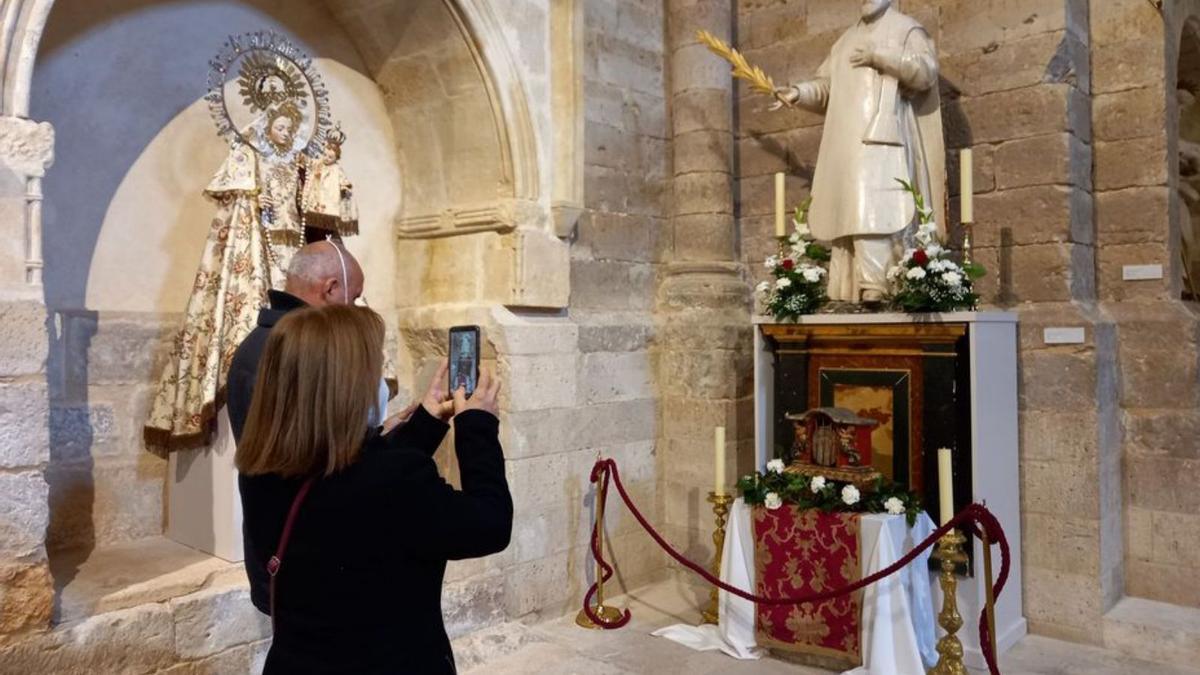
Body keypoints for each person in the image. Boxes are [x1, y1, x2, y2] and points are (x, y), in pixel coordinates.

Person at [236, 304, 511, 674]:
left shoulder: (261, 469)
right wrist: (477, 426)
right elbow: (490, 523)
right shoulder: (391, 482)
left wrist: (426, 423)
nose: (381, 384)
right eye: (375, 371)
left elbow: (355, 481)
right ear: (346, 389)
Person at [771, 0, 945, 303]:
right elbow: (827, 87)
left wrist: (881, 56)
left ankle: (879, 284)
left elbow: (926, 72)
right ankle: (848, 288)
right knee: (848, 211)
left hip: (883, 136)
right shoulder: (845, 41)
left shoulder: (906, 29)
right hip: (847, 141)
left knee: (877, 208)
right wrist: (799, 93)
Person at [226, 240, 366, 442]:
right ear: (331, 289)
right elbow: (319, 450)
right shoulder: (301, 349)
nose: (354, 309)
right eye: (354, 298)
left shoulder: (257, 339)